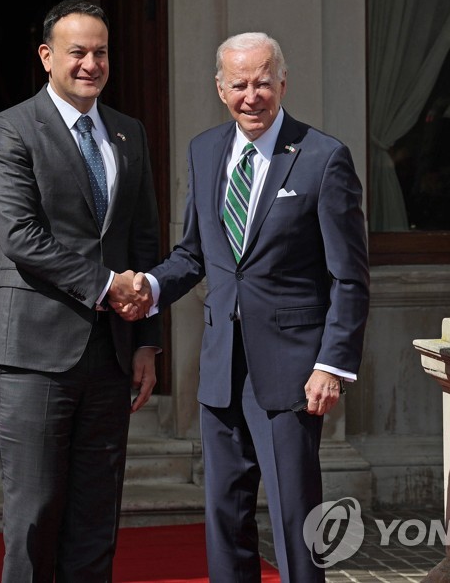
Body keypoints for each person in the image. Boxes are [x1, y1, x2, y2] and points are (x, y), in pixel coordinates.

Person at [132, 32, 370, 581]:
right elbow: (194, 253)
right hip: (219, 366)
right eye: (238, 84)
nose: (252, 95)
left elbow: (350, 276)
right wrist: (147, 286)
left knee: (295, 518)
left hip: (291, 372)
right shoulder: (205, 150)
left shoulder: (323, 157)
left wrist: (331, 365)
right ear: (220, 88)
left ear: (283, 82)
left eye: (263, 81)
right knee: (224, 515)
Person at [0, 0, 161, 582]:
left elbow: (145, 241)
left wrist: (147, 343)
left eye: (100, 52)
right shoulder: (8, 129)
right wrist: (108, 285)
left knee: (95, 513)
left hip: (110, 353)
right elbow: (22, 236)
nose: (90, 64)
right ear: (46, 56)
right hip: (33, 351)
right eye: (77, 52)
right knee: (33, 513)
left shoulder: (129, 133)